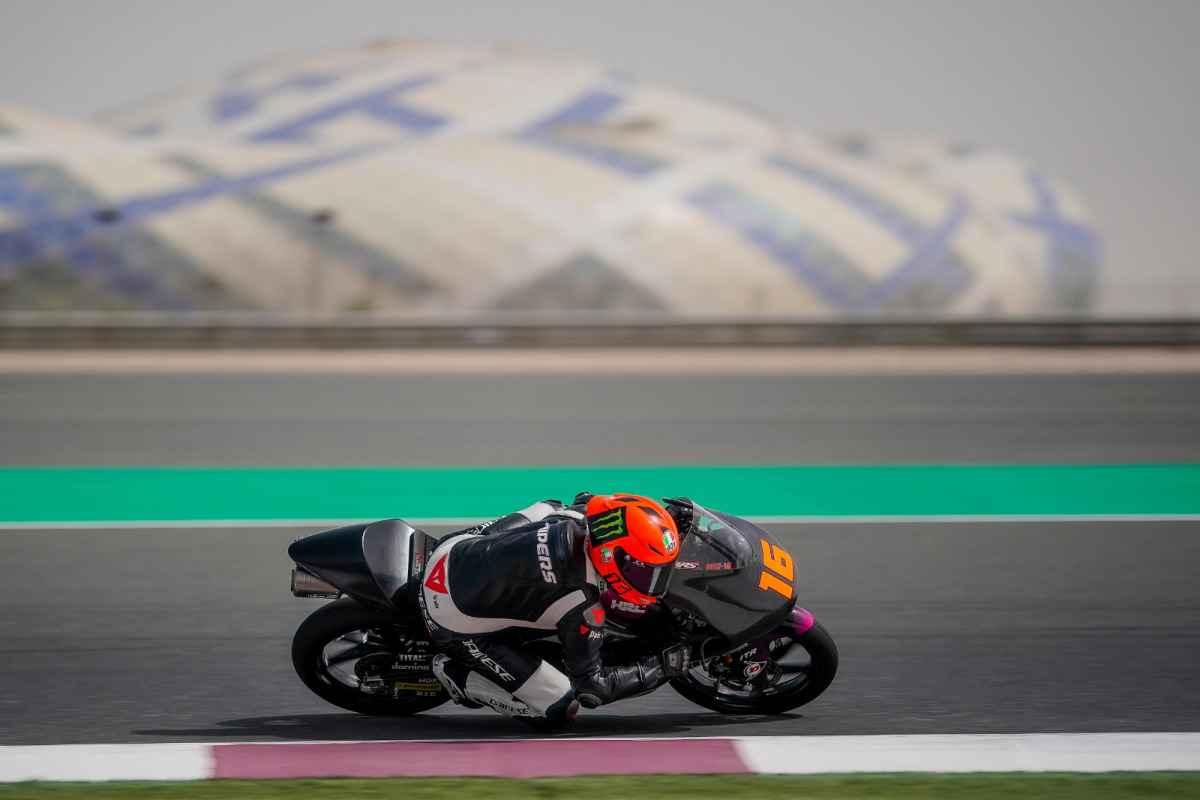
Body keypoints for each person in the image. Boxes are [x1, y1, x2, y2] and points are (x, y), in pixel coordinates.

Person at [420, 492, 691, 730]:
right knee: (559, 705)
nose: (653, 582)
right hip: (450, 616)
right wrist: (662, 668)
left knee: (551, 507)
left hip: (450, 549)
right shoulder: (581, 605)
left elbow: (592, 501)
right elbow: (592, 687)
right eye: (646, 571)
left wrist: (666, 522)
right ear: (610, 556)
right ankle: (460, 676)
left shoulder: (586, 514)